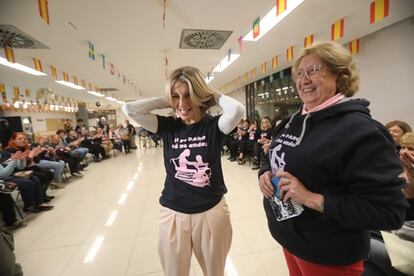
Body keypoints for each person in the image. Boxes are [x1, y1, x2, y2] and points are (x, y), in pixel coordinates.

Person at [258, 41, 407, 276]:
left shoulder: (362, 131)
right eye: (299, 73)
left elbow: (388, 211)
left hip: (329, 254)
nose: (303, 79)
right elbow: (272, 155)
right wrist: (264, 172)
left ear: (340, 75)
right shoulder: (291, 121)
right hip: (289, 239)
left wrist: (311, 198)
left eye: (313, 71)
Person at [123, 66, 244, 276]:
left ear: (199, 95)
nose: (182, 103)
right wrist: (167, 99)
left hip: (210, 212)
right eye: (176, 97)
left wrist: (210, 96)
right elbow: (130, 110)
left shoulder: (215, 126)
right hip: (173, 213)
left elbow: (237, 110)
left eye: (188, 95)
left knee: (215, 272)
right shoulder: (168, 126)